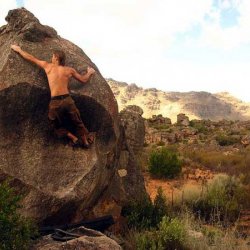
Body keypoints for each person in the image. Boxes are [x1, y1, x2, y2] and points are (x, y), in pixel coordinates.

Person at [11, 45, 96, 148]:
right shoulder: (69, 70)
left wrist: (19, 50)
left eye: (52, 56)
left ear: (56, 57)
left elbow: (31, 58)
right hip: (68, 100)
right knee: (78, 122)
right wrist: (89, 72)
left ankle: (73, 138)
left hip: (55, 102)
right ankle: (85, 141)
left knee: (54, 123)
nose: (51, 58)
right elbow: (83, 79)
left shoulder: (48, 66)